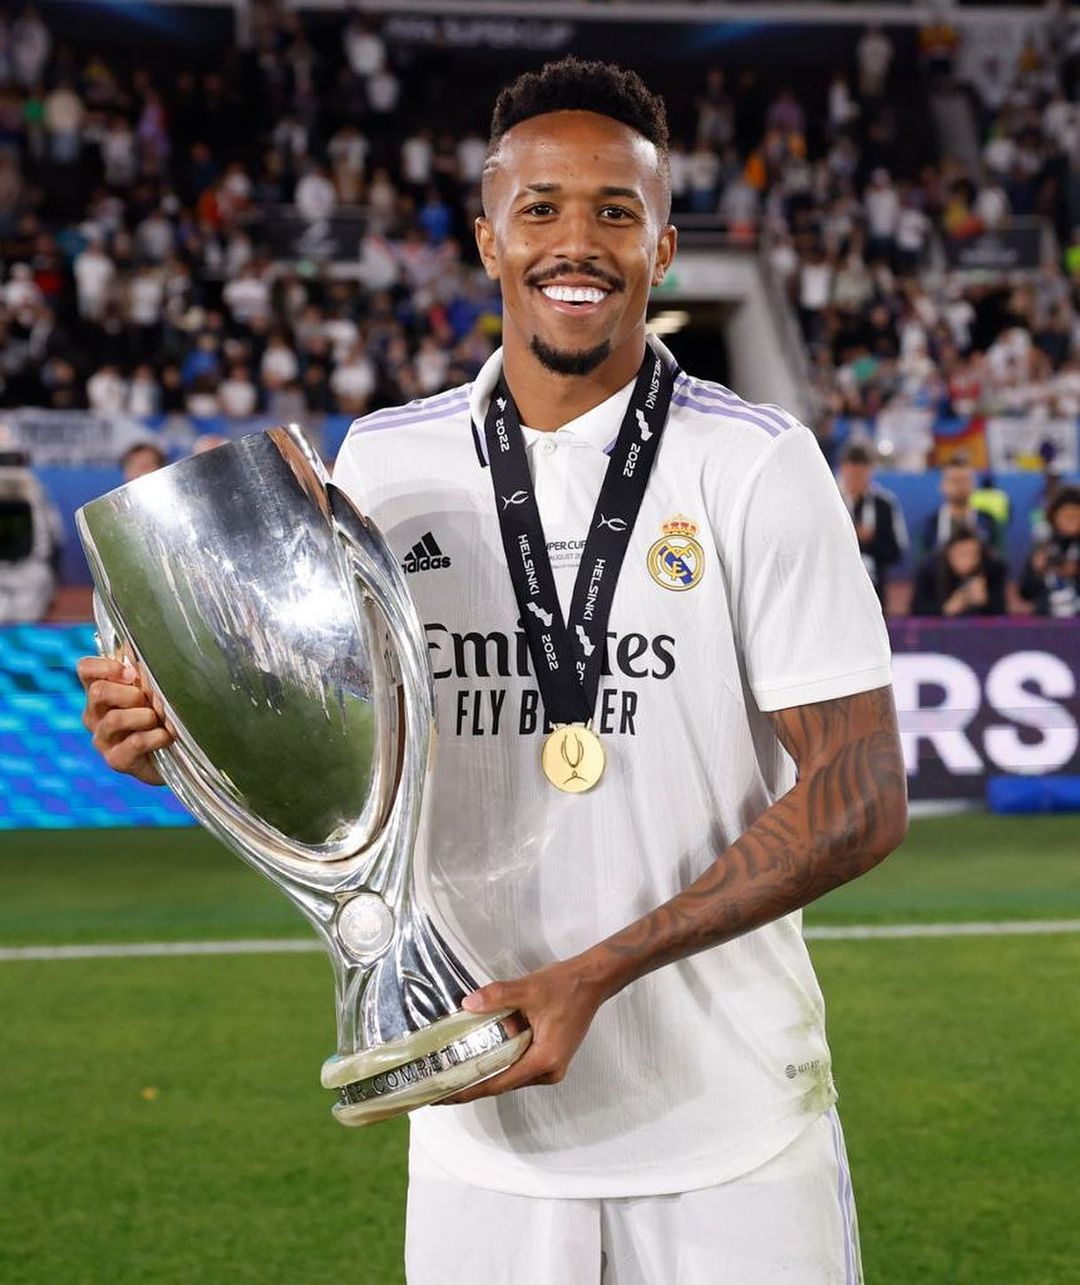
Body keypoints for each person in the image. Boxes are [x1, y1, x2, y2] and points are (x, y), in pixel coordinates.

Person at [77, 59, 907, 1284]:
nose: (577, 243)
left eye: (616, 211)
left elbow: (860, 791)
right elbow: (336, 753)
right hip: (478, 1124)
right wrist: (181, 748)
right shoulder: (384, 464)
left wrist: (598, 974)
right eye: (541, 208)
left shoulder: (754, 464)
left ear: (664, 247)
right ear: (486, 240)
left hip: (732, 1126)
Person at [837, 441, 908, 606]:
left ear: (870, 472)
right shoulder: (830, 502)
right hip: (836, 586)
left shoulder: (885, 504)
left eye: (860, 476)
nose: (855, 481)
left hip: (874, 590)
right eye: (851, 476)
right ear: (842, 471)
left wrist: (872, 540)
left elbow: (897, 551)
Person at [910, 530, 1008, 617]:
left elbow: (1003, 615)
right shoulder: (929, 573)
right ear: (948, 554)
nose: (967, 560)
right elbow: (917, 612)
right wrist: (945, 610)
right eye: (961, 554)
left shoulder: (994, 573)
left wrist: (986, 602)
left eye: (973, 554)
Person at [1018, 484, 1080, 617]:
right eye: (1066, 516)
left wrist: (1075, 573)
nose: (1070, 521)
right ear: (1054, 517)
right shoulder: (1043, 545)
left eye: (1075, 516)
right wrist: (1036, 570)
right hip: (1046, 621)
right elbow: (1025, 592)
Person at [921, 455, 999, 554]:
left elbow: (999, 559)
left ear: (974, 485)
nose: (960, 486)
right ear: (942, 486)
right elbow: (922, 561)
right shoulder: (929, 525)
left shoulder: (988, 522)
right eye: (954, 481)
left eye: (965, 480)